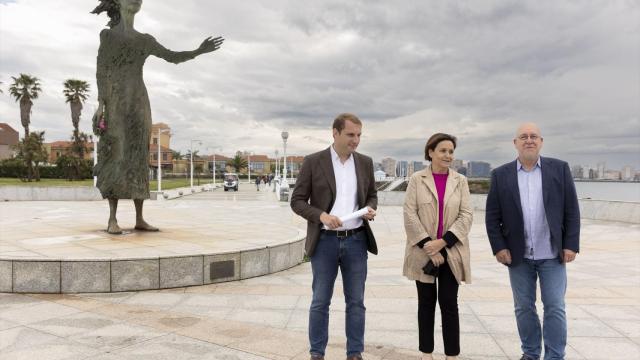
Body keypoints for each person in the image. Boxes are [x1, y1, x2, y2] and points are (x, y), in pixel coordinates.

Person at [91, 0, 223, 234]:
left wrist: (198, 51)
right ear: (117, 3)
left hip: (139, 102)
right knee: (117, 154)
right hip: (115, 101)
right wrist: (101, 103)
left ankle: (140, 217)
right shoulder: (108, 36)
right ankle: (112, 218)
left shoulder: (145, 40)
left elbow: (172, 56)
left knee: (138, 155)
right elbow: (102, 69)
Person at [485, 123, 580, 360]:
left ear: (541, 141)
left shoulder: (559, 169)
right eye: (523, 136)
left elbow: (572, 210)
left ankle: (555, 356)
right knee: (524, 308)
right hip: (518, 256)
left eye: (533, 136)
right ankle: (530, 353)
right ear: (515, 143)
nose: (529, 140)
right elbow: (492, 216)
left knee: (555, 307)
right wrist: (499, 247)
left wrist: (570, 244)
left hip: (552, 254)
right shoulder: (500, 174)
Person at [291, 113, 378, 360]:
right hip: (325, 242)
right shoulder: (313, 161)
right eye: (351, 134)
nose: (356, 140)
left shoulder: (365, 162)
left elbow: (371, 194)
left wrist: (370, 208)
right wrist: (321, 216)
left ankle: (354, 353)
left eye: (359, 135)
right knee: (320, 301)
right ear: (335, 132)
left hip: (357, 240)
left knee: (356, 302)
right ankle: (317, 353)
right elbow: (297, 201)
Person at [402, 133, 473, 360]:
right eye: (443, 150)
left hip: (451, 250)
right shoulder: (417, 179)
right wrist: (428, 246)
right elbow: (409, 213)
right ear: (430, 152)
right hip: (423, 252)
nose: (448, 155)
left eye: (451, 151)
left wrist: (443, 242)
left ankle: (452, 354)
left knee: (449, 303)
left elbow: (466, 215)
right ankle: (426, 353)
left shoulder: (460, 181)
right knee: (426, 304)